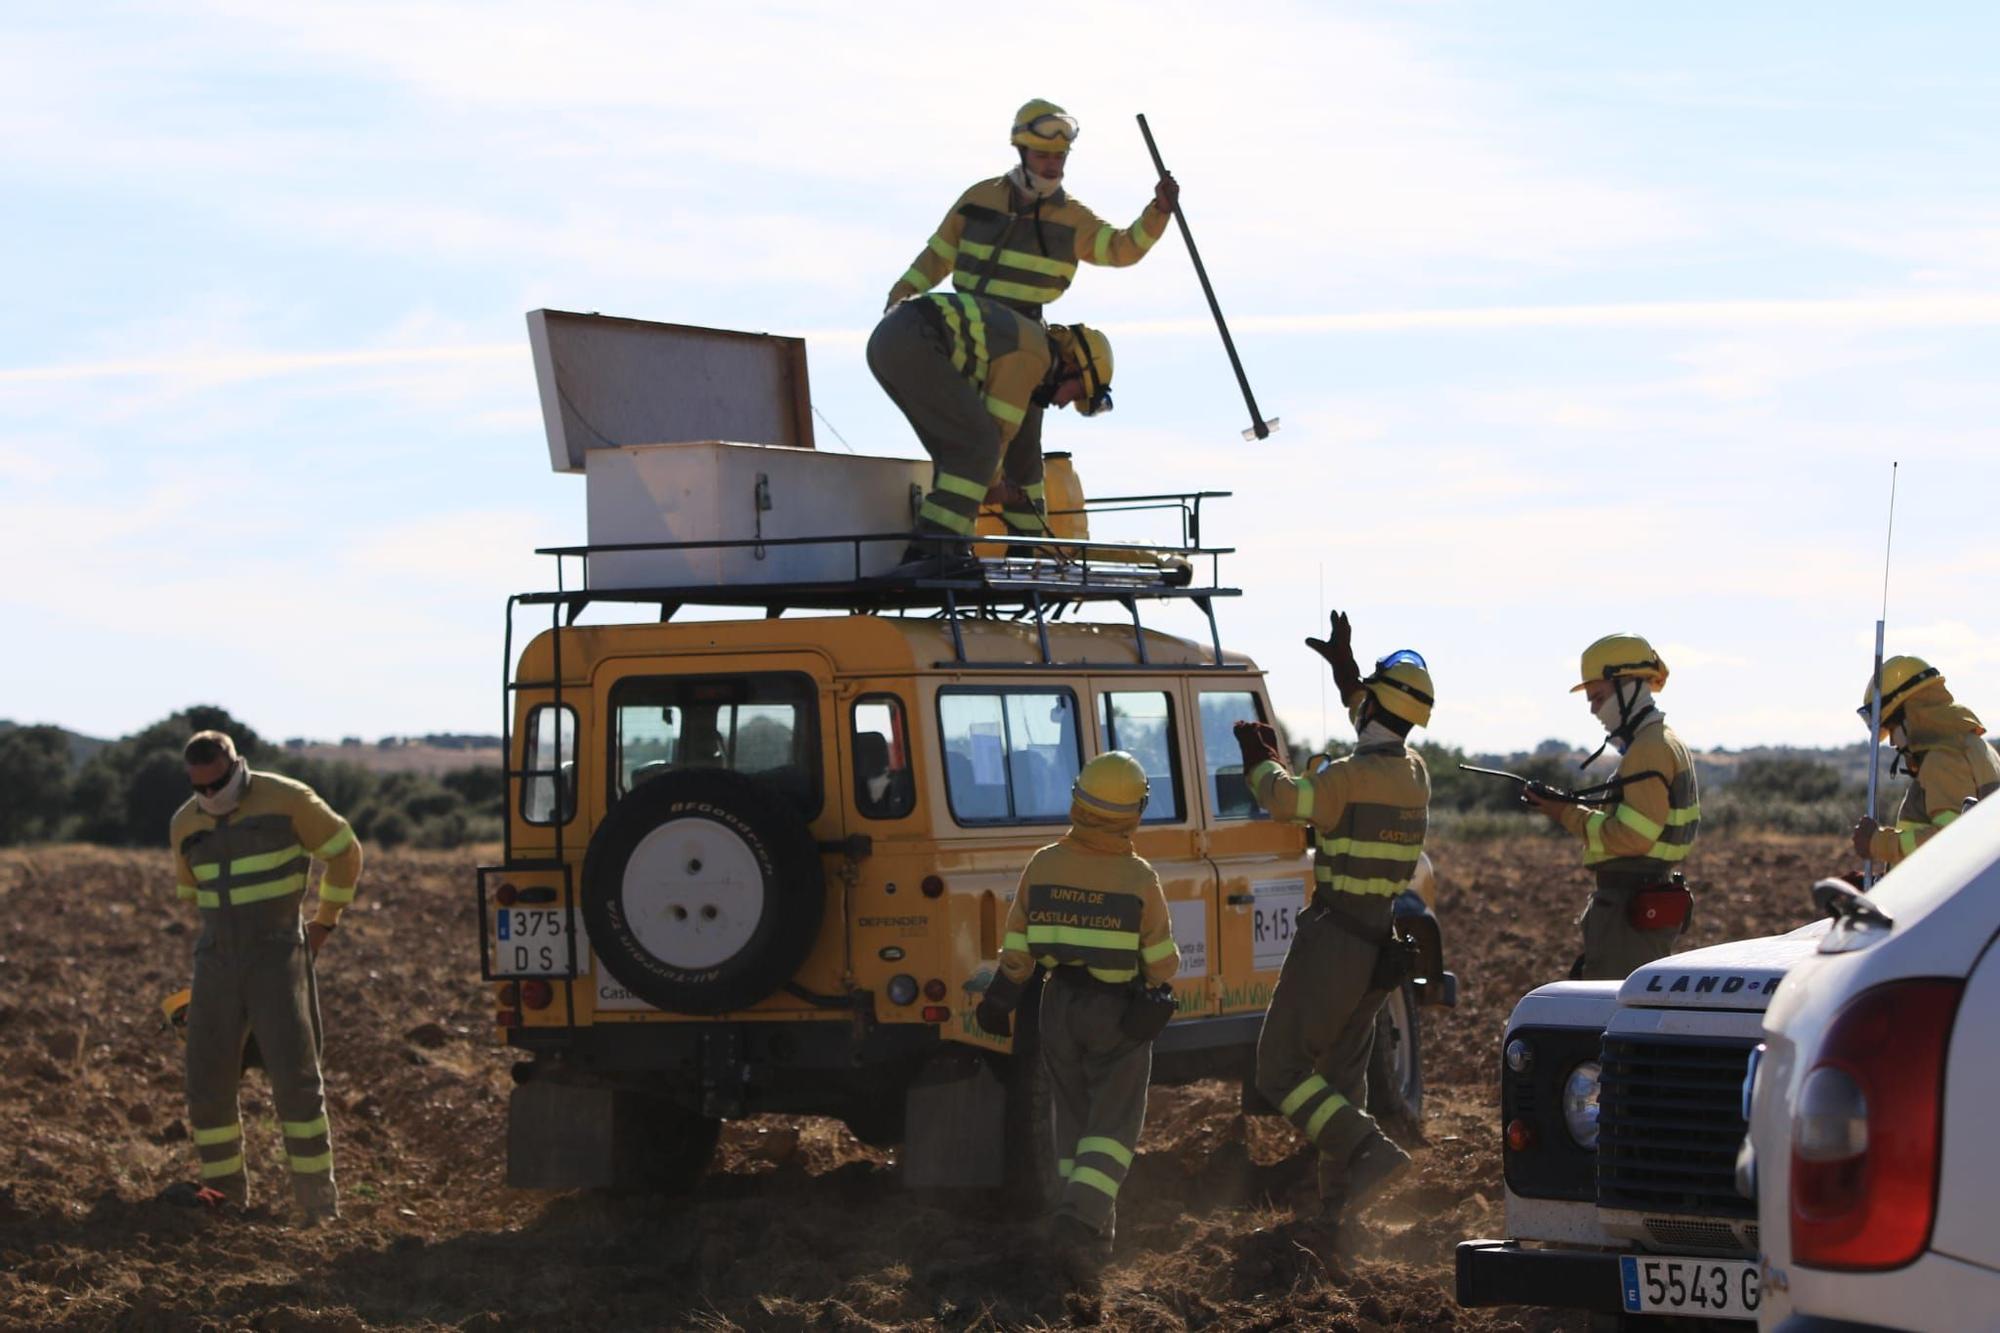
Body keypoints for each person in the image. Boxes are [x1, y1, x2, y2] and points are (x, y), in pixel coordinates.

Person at [881, 99, 1175, 539]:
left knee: (1022, 456)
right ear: (1021, 151)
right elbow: (939, 254)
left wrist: (1159, 212)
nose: (1053, 165)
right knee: (973, 448)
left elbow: (1120, 249)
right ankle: (949, 540)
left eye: (1060, 157)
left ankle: (1028, 548)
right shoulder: (979, 199)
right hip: (965, 339)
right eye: (1044, 155)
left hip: (1022, 347)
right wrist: (900, 297)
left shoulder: (1071, 217)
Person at [1232, 612, 1432, 1230]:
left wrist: (1259, 759)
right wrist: (1349, 674)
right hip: (1379, 944)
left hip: (1336, 939)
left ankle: (1367, 1149)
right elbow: (1375, 722)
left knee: (1281, 1069)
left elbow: (1287, 800)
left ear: (1373, 706)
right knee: (1344, 1075)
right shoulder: (1413, 774)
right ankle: (1339, 1207)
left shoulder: (1347, 779)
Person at [975, 751, 1179, 1289]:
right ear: (1136, 812)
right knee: (1113, 1128)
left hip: (1055, 1006)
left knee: (1073, 1119)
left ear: (1077, 799)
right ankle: (1078, 1220)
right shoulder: (1138, 876)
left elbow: (1017, 943)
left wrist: (1000, 998)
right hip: (1116, 1012)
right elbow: (1162, 961)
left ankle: (1095, 1239)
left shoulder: (1043, 863)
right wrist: (1157, 987)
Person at [169, 730, 362, 1223]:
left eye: (218, 785)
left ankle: (316, 1205)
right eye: (201, 789)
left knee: (295, 1080)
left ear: (237, 768)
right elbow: (193, 896)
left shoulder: (288, 799)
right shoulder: (184, 824)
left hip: (278, 954)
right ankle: (223, 1195)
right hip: (216, 959)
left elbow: (344, 851)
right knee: (206, 1080)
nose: (210, 797)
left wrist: (324, 923)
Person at [867, 292, 1112, 567]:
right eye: (1075, 393)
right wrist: (994, 487)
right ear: (1070, 365)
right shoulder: (1034, 355)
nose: (1064, 403)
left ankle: (951, 546)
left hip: (894, 339)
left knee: (958, 455)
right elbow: (997, 433)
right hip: (915, 337)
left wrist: (992, 482)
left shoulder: (1031, 346)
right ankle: (930, 549)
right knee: (978, 447)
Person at [1522, 633, 1700, 981]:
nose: (1593, 709)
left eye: (1598, 697)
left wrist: (1564, 813)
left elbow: (1633, 837)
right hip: (1639, 905)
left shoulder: (1647, 750)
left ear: (1628, 686)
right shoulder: (1663, 741)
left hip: (1628, 910)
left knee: (1612, 1019)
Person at [1851, 655, 1999, 868]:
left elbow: (1948, 841)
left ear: (1911, 715)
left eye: (1891, 729)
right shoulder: (1975, 746)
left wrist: (1878, 843)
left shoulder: (1943, 759)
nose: (1892, 742)